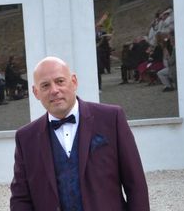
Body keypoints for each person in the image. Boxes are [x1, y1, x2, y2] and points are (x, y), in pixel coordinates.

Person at [10, 56, 150, 210]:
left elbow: (135, 183)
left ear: (74, 82)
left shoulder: (111, 118)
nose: (54, 90)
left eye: (60, 81)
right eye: (45, 85)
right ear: (36, 92)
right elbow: (20, 198)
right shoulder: (25, 138)